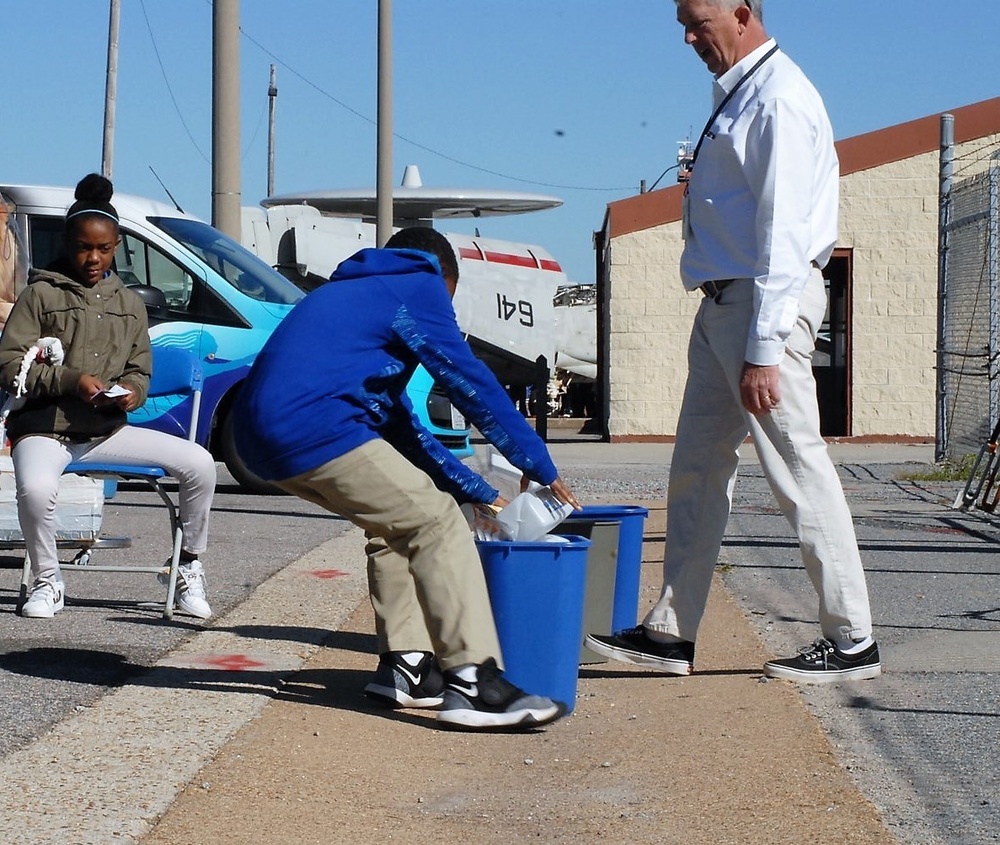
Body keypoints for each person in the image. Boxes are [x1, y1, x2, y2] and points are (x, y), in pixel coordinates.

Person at [587, 0, 881, 683]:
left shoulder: (778, 100)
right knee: (695, 467)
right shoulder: (744, 95)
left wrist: (765, 344)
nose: (689, 38)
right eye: (682, 26)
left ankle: (853, 639)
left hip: (758, 302)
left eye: (699, 22)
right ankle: (670, 630)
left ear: (744, 13)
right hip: (724, 303)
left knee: (796, 467)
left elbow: (782, 232)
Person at [233, 226, 580, 731]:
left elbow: (403, 431)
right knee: (436, 523)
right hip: (313, 426)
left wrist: (481, 492)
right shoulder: (416, 284)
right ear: (445, 277)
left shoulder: (355, 296)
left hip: (258, 439)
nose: (447, 314)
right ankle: (472, 682)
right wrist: (539, 464)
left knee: (397, 520)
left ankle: (408, 666)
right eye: (452, 300)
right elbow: (468, 380)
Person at [0, 174, 217, 620]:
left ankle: (187, 568)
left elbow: (140, 369)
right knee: (37, 489)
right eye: (84, 247)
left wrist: (131, 394)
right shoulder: (40, 294)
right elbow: (9, 367)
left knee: (198, 463)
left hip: (104, 430)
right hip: (46, 430)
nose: (93, 257)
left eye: (103, 248)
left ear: (117, 245)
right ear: (68, 242)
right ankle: (47, 579)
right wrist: (72, 380)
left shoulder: (130, 304)